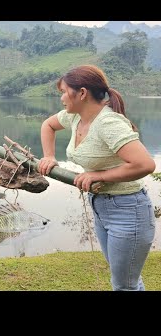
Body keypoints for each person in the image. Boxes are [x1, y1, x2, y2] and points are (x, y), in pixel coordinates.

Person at [38, 65, 157, 291]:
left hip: (128, 210)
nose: (62, 98)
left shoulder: (108, 123)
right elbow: (48, 125)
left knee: (125, 285)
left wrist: (97, 175)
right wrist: (49, 157)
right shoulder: (75, 118)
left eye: (64, 92)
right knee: (126, 280)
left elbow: (145, 164)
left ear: (82, 93)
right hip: (102, 207)